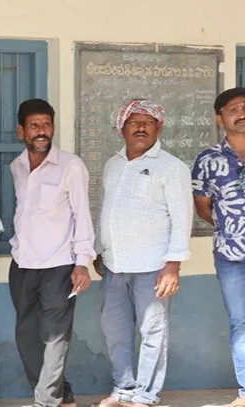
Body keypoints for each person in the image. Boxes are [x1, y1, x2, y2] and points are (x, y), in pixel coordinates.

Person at [95, 99, 192, 407]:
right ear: (121, 128)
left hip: (153, 266)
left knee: (153, 332)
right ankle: (123, 389)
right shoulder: (113, 164)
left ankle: (146, 395)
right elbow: (105, 210)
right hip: (114, 265)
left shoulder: (172, 167)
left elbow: (182, 217)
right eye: (133, 122)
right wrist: (99, 250)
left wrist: (173, 264)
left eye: (148, 122)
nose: (140, 127)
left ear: (158, 128)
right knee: (115, 332)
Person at [8, 99, 94, 407]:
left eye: (46, 124)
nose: (41, 131)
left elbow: (82, 214)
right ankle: (61, 394)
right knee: (26, 336)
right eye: (34, 125)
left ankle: (46, 401)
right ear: (21, 131)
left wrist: (82, 263)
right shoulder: (17, 166)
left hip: (59, 265)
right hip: (22, 264)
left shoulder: (71, 166)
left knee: (55, 337)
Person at [192, 87, 245, 407]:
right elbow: (203, 207)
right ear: (219, 118)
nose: (241, 113)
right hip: (230, 255)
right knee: (241, 322)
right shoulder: (208, 160)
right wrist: (231, 228)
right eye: (233, 109)